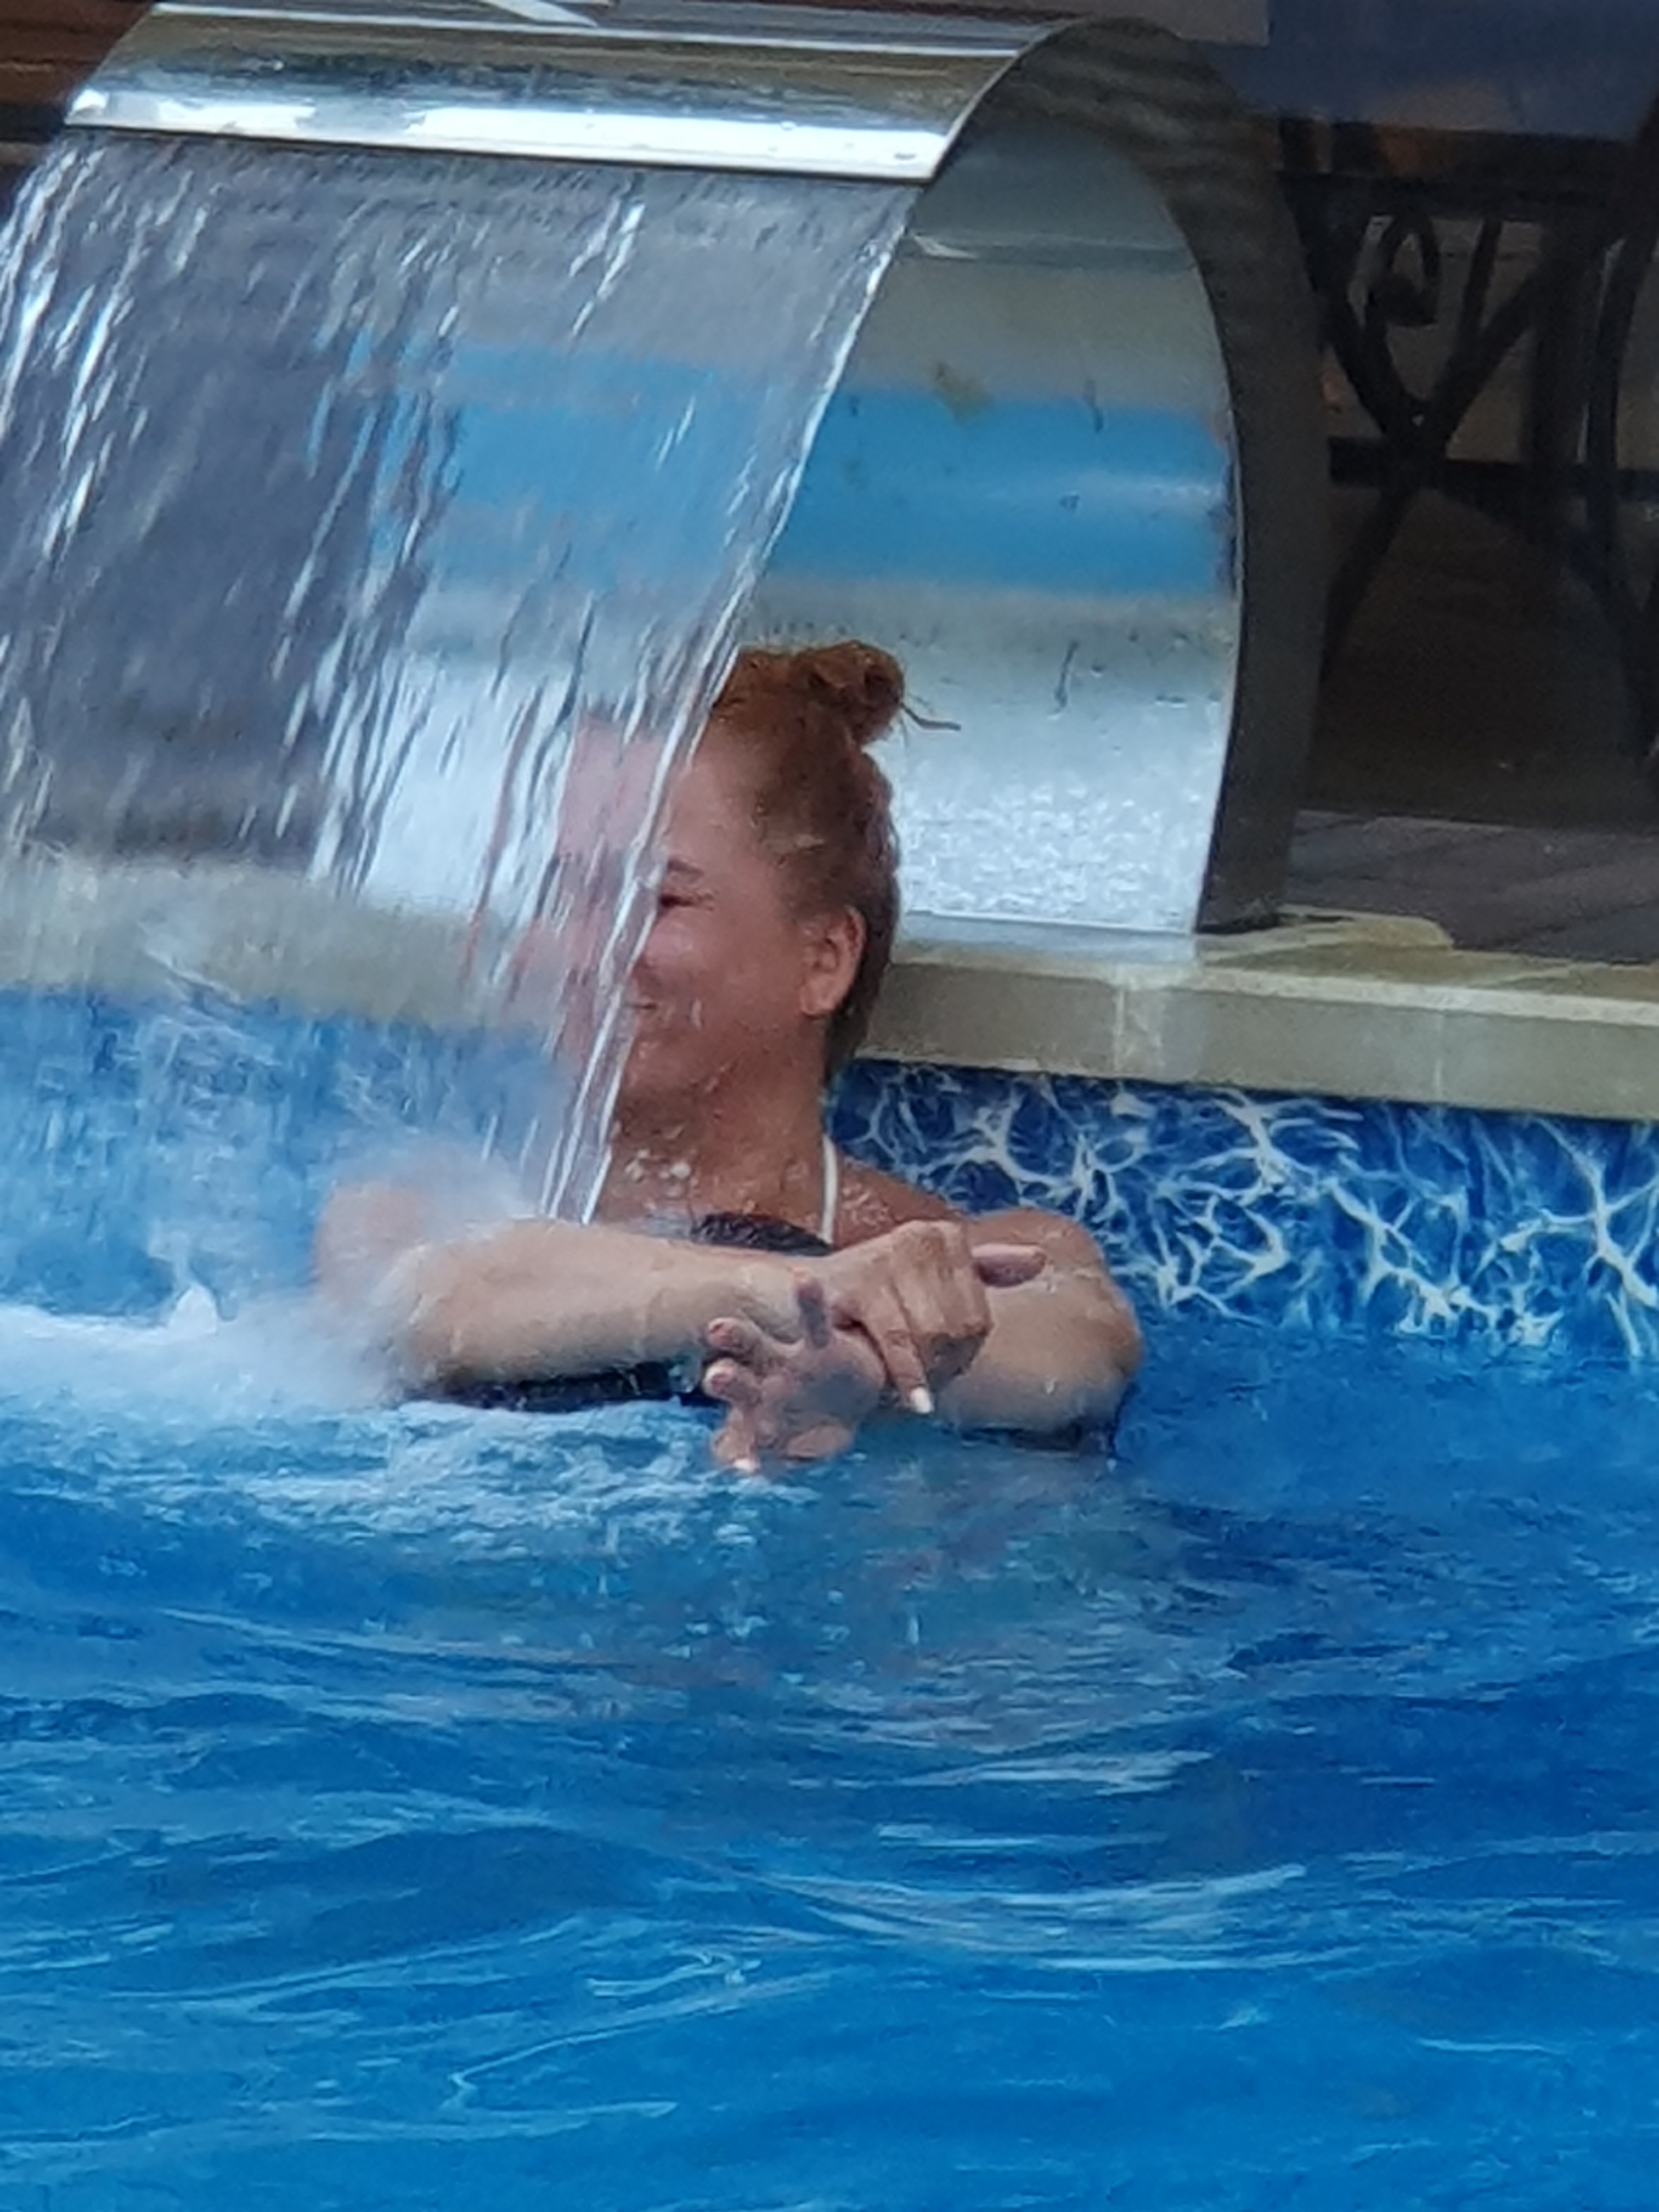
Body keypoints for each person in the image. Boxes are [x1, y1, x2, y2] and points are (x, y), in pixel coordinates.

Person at [315, 641, 1142, 1469]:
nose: (583, 950)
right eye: (557, 894)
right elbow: (420, 1304)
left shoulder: (980, 1250)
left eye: (657, 899)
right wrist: (795, 1297)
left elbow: (1076, 1352)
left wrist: (873, 1369)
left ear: (823, 959)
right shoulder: (409, 1213)